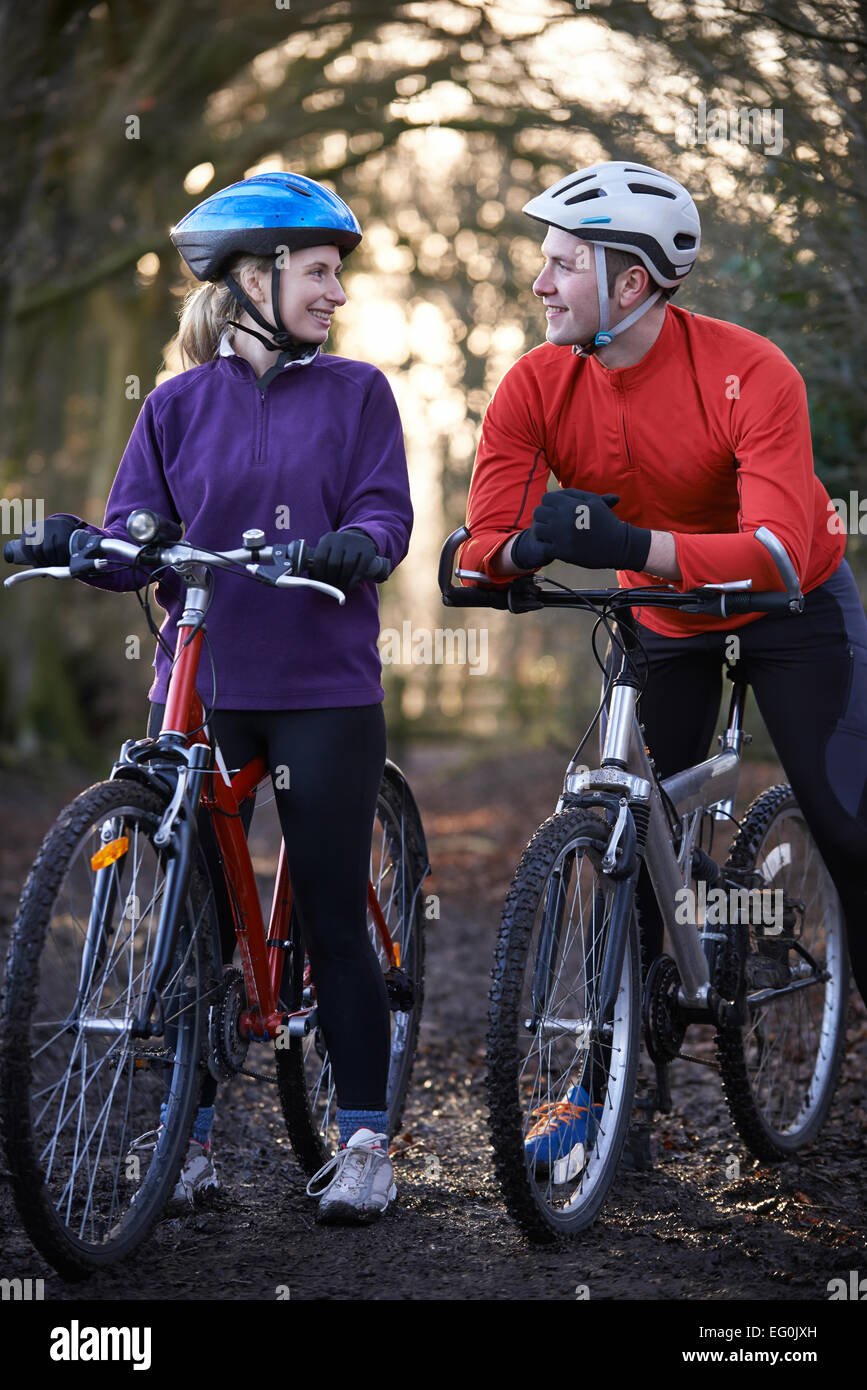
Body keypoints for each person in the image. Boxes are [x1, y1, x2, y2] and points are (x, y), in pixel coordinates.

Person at [17, 172, 413, 1224]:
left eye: (336, 273)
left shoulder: (359, 393)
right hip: (201, 681)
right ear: (255, 276)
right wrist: (79, 543)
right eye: (320, 272)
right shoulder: (173, 404)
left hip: (323, 688)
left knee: (329, 904)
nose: (336, 293)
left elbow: (386, 515)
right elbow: (133, 532)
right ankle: (180, 1141)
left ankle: (366, 1136)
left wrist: (356, 544)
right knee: (190, 922)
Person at [462, 159, 867, 1157]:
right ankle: (609, 1094)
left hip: (791, 602)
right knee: (631, 839)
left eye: (560, 264)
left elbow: (775, 547)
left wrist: (629, 544)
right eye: (542, 264)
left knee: (848, 818)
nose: (540, 283)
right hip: (664, 618)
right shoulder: (533, 384)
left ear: (629, 281)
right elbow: (479, 548)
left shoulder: (751, 370)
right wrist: (529, 547)